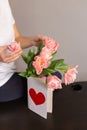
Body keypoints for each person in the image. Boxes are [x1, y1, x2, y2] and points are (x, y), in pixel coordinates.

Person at [0, 0, 42, 102]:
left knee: (53, 77)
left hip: (8, 76)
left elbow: (17, 38)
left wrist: (33, 41)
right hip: (2, 83)